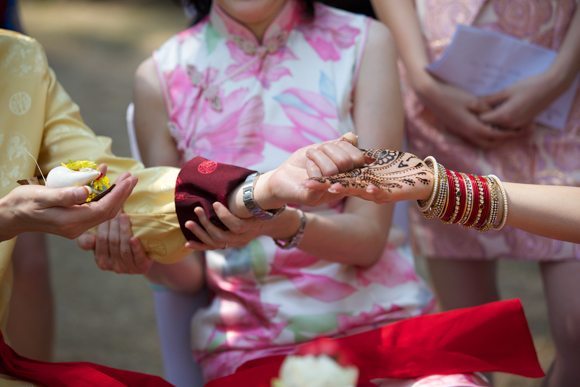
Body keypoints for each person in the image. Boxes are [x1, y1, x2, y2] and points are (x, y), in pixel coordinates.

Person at [80, 0, 545, 385]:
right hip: (255, 346)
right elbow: (190, 273)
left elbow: (367, 240)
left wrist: (282, 223)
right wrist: (145, 256)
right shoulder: (160, 75)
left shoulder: (365, 41)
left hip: (386, 323)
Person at [371, 1, 580, 386]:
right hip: (441, 86)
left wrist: (559, 77)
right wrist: (423, 81)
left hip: (561, 91)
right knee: (470, 341)